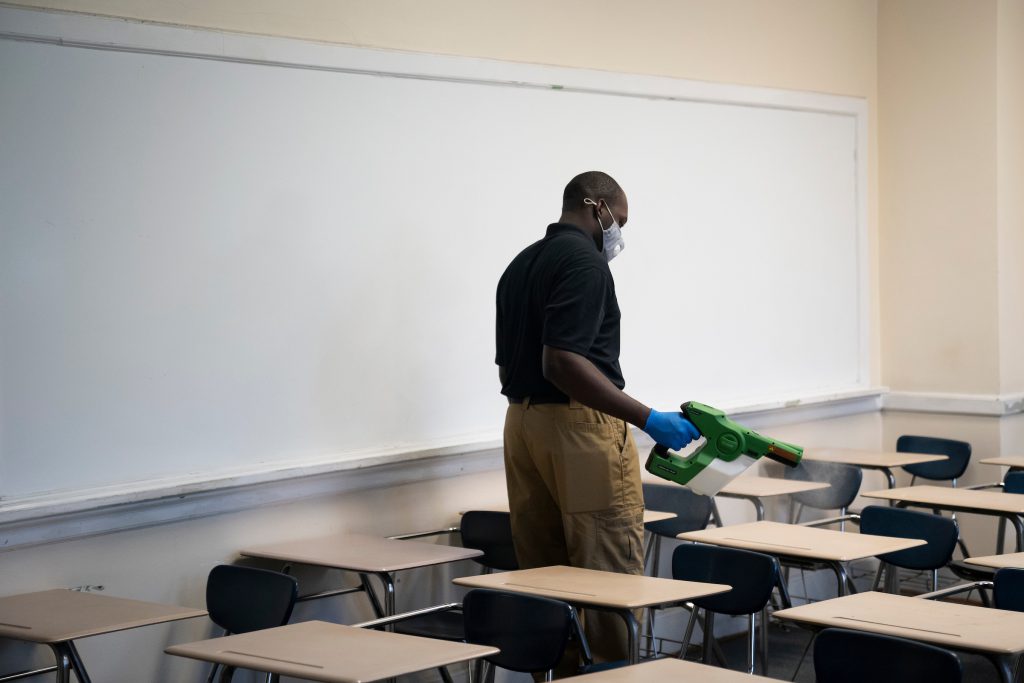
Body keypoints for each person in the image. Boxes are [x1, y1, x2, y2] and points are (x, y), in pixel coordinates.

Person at [494, 171, 701, 672]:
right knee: (607, 578)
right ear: (596, 207)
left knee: (546, 576)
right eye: (619, 221)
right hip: (578, 430)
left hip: (522, 425)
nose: (618, 233)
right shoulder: (585, 263)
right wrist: (649, 419)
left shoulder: (521, 263)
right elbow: (562, 362)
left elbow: (511, 362)